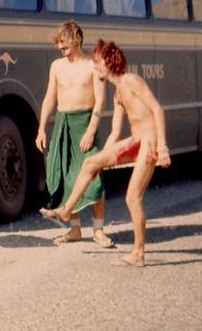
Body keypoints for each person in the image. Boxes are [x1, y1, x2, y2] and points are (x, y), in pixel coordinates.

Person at [40, 39, 171, 267]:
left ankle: (138, 254)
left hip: (149, 142)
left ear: (109, 62)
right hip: (136, 140)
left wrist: (163, 147)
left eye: (98, 61)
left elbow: (157, 109)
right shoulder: (118, 92)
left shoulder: (131, 81)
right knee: (90, 163)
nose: (95, 65)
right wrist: (105, 157)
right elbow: (115, 132)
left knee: (132, 198)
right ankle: (65, 210)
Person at [35, 21, 114, 248]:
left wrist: (91, 130)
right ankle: (75, 230)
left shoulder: (93, 65)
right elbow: (50, 98)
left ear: (76, 39)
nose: (60, 46)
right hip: (63, 123)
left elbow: (101, 100)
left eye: (63, 41)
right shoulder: (56, 66)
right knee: (66, 177)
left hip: (84, 123)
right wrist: (41, 128)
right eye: (58, 42)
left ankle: (98, 230)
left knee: (94, 178)